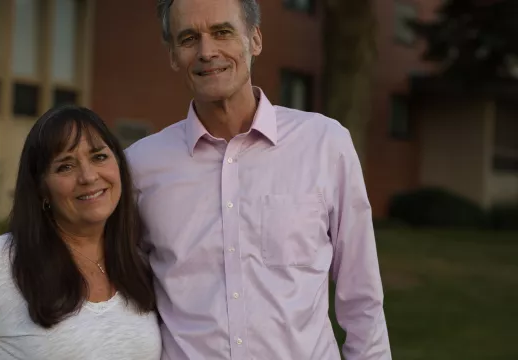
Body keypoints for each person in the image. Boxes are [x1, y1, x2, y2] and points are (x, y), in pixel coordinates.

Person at [124, 0, 392, 359]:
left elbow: (363, 300)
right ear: (173, 55)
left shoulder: (325, 144)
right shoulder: (139, 167)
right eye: (189, 38)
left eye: (222, 32)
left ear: (255, 39)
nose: (207, 51)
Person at [0, 105, 161, 360]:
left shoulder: (139, 266)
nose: (88, 176)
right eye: (65, 166)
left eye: (98, 157)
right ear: (42, 190)